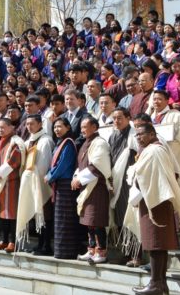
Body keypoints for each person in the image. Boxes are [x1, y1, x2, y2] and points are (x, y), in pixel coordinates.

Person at [126, 122, 180, 295]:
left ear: (152, 134)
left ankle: (156, 283)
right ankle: (160, 284)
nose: (138, 138)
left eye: (142, 134)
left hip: (156, 201)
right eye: (136, 135)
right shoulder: (158, 149)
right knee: (157, 245)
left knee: (156, 244)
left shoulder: (154, 150)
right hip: (155, 199)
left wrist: (134, 178)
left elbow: (146, 177)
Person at [72, 117, 112, 264]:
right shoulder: (86, 143)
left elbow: (97, 166)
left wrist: (79, 179)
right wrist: (75, 176)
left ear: (95, 127)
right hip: (87, 186)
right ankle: (91, 250)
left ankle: (101, 252)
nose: (82, 130)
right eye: (81, 127)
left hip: (97, 186)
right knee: (89, 221)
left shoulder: (99, 143)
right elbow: (81, 165)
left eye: (85, 127)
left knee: (97, 220)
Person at [17, 114, 54, 255]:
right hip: (31, 182)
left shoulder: (45, 140)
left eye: (32, 124)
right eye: (27, 124)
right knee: (37, 216)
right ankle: (39, 244)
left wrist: (33, 178)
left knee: (45, 217)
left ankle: (46, 246)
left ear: (40, 124)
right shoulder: (29, 141)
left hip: (41, 184)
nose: (29, 126)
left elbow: (44, 164)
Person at [107, 107, 140, 266]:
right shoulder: (113, 136)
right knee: (119, 217)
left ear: (128, 118)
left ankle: (137, 255)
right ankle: (126, 252)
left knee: (131, 217)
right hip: (116, 180)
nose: (116, 121)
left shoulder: (134, 135)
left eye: (120, 118)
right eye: (114, 118)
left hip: (130, 181)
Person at [0, 117, 25, 253]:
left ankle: (12, 241)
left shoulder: (16, 142)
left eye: (3, 127)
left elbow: (14, 160)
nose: (1, 129)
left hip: (11, 182)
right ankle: (3, 240)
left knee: (10, 213)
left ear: (11, 128)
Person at [149, 90, 180, 206]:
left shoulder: (176, 116)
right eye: (154, 99)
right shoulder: (150, 117)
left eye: (159, 99)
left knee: (177, 193)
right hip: (154, 161)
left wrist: (164, 151)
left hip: (173, 160)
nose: (156, 102)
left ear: (167, 101)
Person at [46, 118, 80, 259]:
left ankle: (67, 252)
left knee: (65, 220)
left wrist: (50, 176)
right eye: (55, 127)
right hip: (59, 185)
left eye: (60, 127)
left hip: (66, 184)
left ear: (68, 127)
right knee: (60, 220)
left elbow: (63, 165)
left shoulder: (69, 144)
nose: (57, 130)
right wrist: (50, 174)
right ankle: (60, 251)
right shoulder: (59, 143)